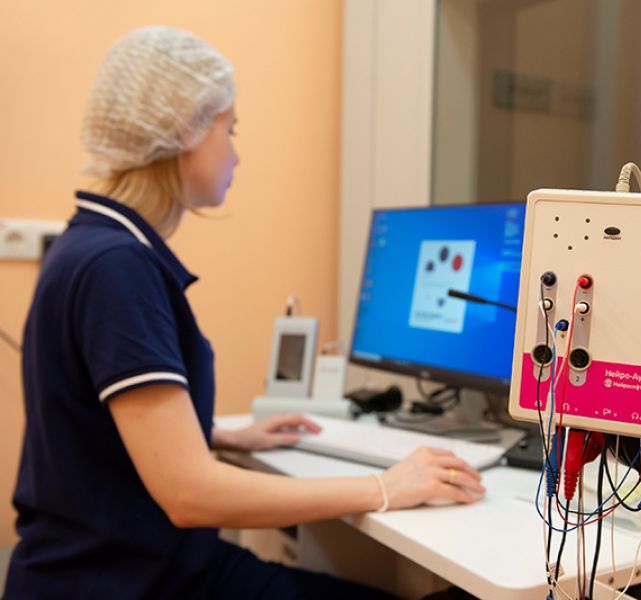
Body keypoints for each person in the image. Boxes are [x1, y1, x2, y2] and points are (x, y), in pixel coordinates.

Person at [4, 26, 485, 599]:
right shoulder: (117, 267)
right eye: (228, 129)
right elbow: (189, 495)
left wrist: (222, 436)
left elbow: (89, 427)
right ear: (184, 127)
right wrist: (386, 486)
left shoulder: (88, 244)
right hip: (126, 583)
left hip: (119, 567)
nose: (235, 152)